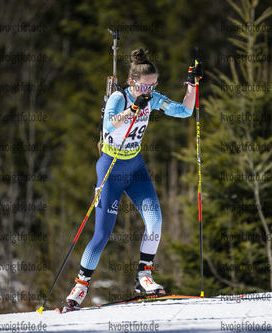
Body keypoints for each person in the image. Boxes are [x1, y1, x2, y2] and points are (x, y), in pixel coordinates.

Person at [64, 48, 203, 311]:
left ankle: (144, 277)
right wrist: (132, 109)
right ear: (132, 82)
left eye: (153, 86)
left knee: (155, 220)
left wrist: (191, 85)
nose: (149, 91)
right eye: (144, 86)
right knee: (102, 234)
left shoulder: (151, 98)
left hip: (135, 168)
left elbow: (184, 111)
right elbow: (109, 125)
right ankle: (80, 287)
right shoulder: (119, 97)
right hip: (111, 168)